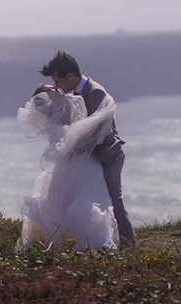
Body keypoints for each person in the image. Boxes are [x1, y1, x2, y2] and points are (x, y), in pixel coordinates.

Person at [39, 51, 137, 247]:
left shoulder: (95, 92)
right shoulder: (75, 94)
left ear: (70, 76)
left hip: (108, 155)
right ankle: (105, 239)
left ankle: (129, 243)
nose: (58, 87)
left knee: (113, 199)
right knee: (94, 200)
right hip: (91, 156)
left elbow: (98, 131)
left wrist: (72, 149)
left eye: (59, 82)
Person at [15, 85, 119, 250]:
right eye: (53, 90)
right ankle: (77, 242)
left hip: (77, 162)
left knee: (75, 200)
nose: (58, 90)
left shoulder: (67, 105)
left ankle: (75, 241)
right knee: (71, 202)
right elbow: (68, 137)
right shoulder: (55, 114)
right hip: (75, 163)